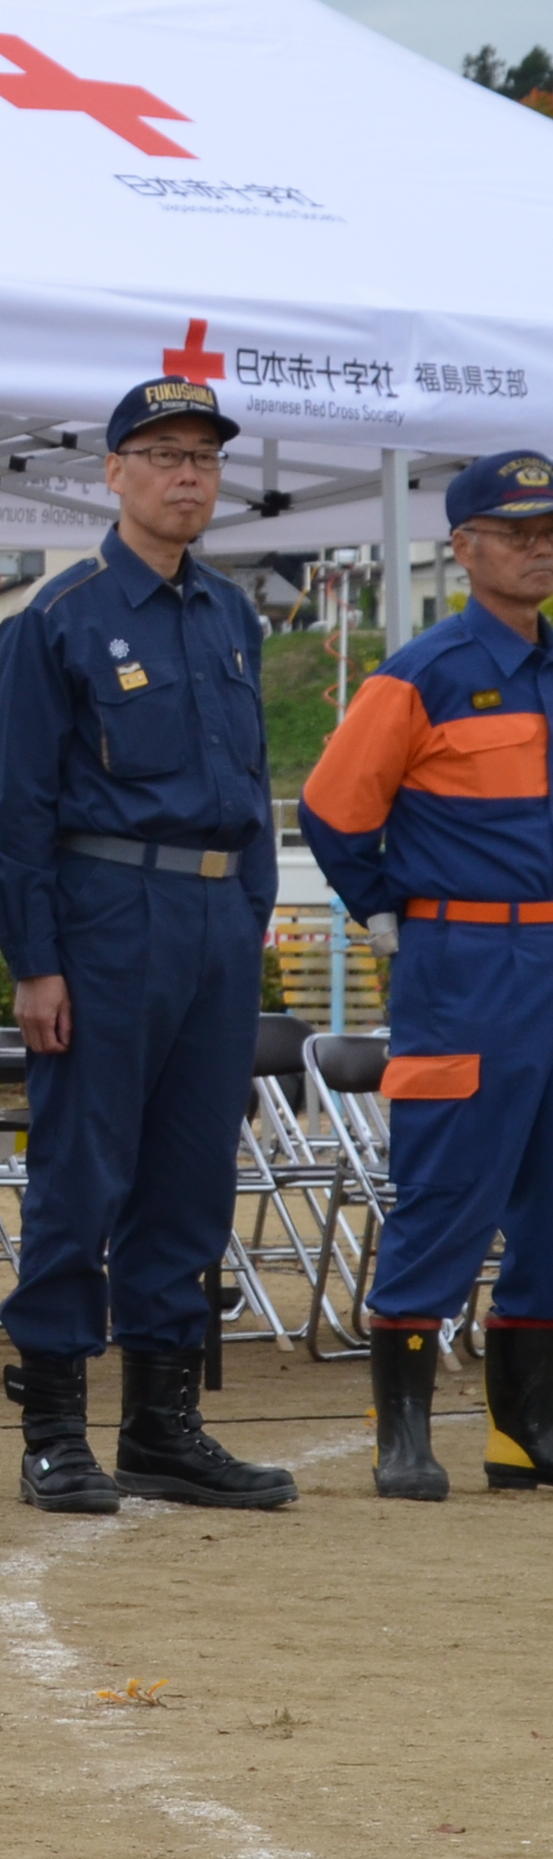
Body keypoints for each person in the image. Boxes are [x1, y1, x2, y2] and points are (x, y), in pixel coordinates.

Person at [0, 377, 293, 1515]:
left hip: (214, 921)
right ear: (113, 473)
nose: (187, 476)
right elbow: (17, 809)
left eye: (204, 459)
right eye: (162, 455)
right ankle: (55, 1426)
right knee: (82, 1172)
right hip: (106, 915)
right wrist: (35, 960)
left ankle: (165, 1426)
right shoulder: (55, 620)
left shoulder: (229, 616)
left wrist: (249, 918)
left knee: (190, 1177)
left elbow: (252, 788)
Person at [301, 446, 553, 1501]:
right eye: (518, 535)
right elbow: (331, 809)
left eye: (550, 536)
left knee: (551, 1199)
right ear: (465, 547)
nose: (539, 553)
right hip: (466, 961)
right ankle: (401, 1430)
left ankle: (521, 1429)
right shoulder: (422, 673)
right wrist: (386, 910)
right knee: (449, 1183)